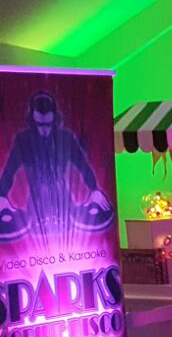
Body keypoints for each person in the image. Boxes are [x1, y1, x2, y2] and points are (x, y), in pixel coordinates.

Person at [0, 90, 112, 240]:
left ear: (55, 120)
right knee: (36, 236)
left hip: (64, 200)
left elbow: (83, 166)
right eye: (40, 125)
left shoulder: (66, 138)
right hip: (35, 203)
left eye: (48, 125)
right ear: (32, 121)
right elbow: (9, 171)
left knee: (68, 233)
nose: (44, 130)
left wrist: (94, 189)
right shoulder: (23, 140)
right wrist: (2, 195)